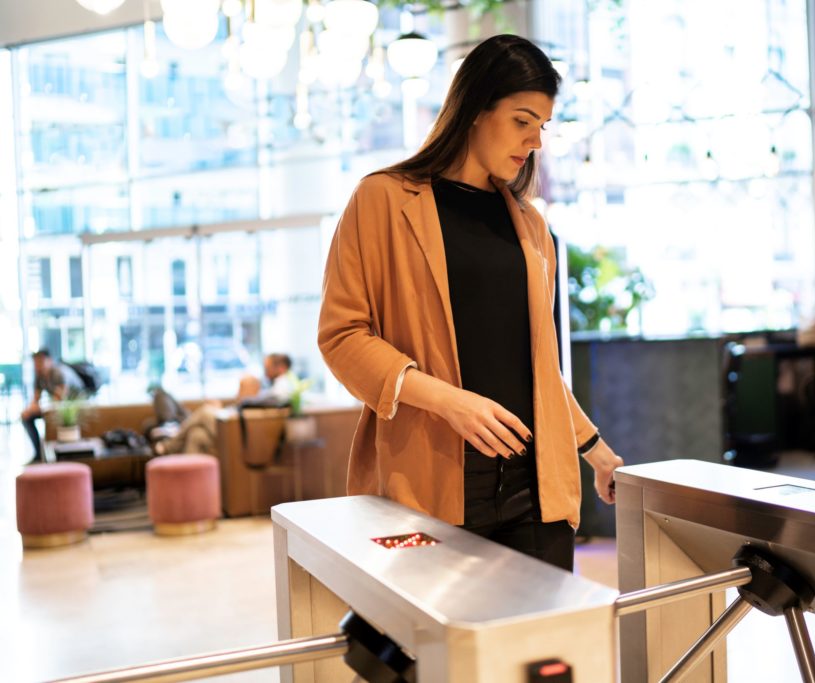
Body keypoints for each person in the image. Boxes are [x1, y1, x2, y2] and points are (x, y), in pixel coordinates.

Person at [318, 34, 624, 572]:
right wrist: (449, 401)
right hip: (431, 486)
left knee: (537, 651)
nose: (535, 141)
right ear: (476, 110)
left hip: (536, 496)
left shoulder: (530, 226)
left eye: (542, 127)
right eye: (522, 120)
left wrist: (596, 452)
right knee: (438, 651)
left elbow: (538, 368)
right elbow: (343, 336)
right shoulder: (383, 200)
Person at [155, 352, 299, 456]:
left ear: (281, 368)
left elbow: (270, 401)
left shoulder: (283, 384)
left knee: (205, 411)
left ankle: (169, 445)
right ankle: (186, 484)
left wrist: (244, 402)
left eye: (268, 368)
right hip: (236, 424)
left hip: (239, 430)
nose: (266, 373)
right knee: (196, 435)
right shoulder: (276, 385)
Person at [21, 348, 86, 463]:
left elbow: (59, 399)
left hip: (76, 407)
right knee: (26, 418)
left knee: (50, 416)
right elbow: (35, 400)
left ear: (49, 361)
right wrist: (28, 411)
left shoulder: (58, 372)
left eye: (40, 361)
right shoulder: (39, 376)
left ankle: (54, 458)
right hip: (59, 407)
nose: (37, 365)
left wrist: (37, 408)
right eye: (35, 362)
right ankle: (38, 455)